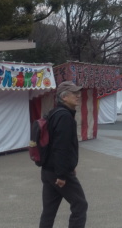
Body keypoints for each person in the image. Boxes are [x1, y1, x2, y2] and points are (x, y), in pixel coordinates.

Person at [39, 81, 88, 228]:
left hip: (47, 170)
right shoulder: (65, 117)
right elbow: (61, 147)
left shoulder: (53, 113)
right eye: (74, 93)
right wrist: (62, 174)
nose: (78, 96)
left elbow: (55, 144)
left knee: (49, 211)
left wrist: (70, 165)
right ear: (64, 97)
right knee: (80, 205)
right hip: (57, 173)